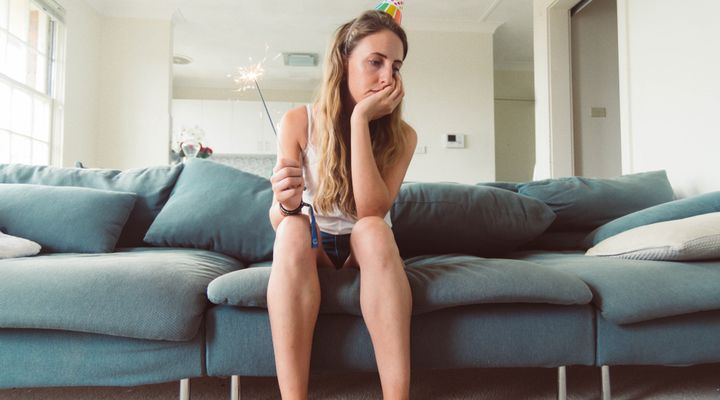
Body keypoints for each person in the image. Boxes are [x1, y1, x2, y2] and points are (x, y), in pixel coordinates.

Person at [267, 5, 417, 400]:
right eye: (375, 62)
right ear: (344, 61)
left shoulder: (403, 137)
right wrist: (286, 202)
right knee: (292, 230)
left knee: (372, 230)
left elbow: (371, 211)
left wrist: (359, 121)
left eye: (396, 67)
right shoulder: (298, 121)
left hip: (363, 248)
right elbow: (279, 219)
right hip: (313, 244)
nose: (387, 77)